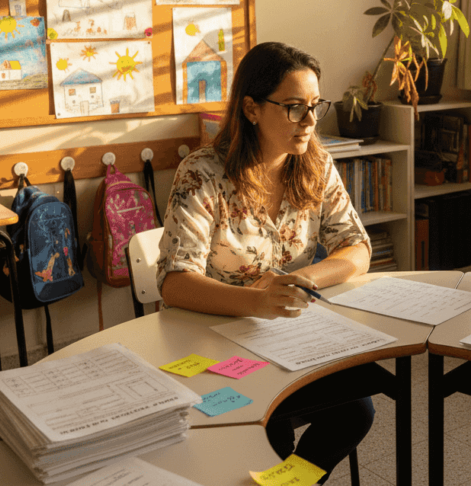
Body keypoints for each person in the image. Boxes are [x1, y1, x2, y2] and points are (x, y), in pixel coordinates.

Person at [157, 42, 374, 482]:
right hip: (214, 342)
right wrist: (256, 301)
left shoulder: (316, 164)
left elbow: (357, 248)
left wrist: (300, 279)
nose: (311, 122)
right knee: (265, 428)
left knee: (356, 408)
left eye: (315, 106)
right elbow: (175, 282)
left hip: (287, 341)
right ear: (252, 109)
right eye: (295, 108)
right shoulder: (203, 173)